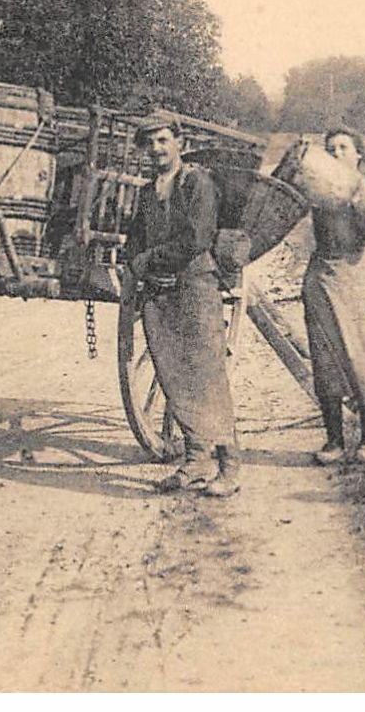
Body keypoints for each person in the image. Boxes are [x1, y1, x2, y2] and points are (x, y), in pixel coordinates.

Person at [126, 118, 241, 496]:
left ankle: (229, 467)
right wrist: (135, 263)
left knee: (206, 374)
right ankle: (194, 463)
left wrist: (148, 259)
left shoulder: (197, 183)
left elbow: (196, 237)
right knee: (172, 373)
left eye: (163, 140)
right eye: (150, 143)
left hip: (195, 287)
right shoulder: (147, 193)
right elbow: (135, 239)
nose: (157, 148)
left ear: (180, 142)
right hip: (161, 292)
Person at [302, 128, 365, 465]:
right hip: (322, 279)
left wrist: (356, 201)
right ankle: (334, 441)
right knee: (326, 361)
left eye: (343, 147)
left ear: (358, 155)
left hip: (357, 278)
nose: (335, 153)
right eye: (329, 148)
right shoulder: (318, 191)